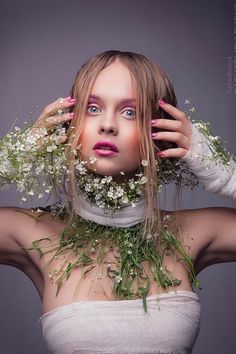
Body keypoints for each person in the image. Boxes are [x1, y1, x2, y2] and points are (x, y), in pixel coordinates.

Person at [0, 50, 235, 354]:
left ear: (160, 134)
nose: (107, 124)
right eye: (93, 108)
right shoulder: (29, 232)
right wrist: (11, 162)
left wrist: (226, 178)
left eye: (129, 112)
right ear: (69, 126)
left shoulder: (193, 233)